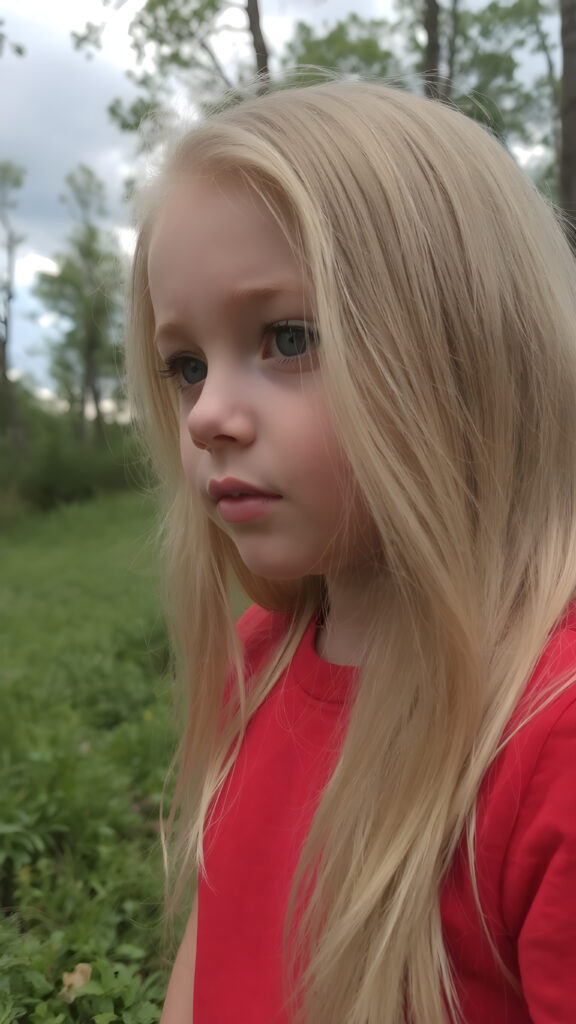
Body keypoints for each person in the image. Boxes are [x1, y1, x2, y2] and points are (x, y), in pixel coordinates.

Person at [125, 74, 576, 1024]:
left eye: (287, 336)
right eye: (186, 364)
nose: (205, 414)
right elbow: (210, 957)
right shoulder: (262, 656)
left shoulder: (546, 743)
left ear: (472, 350)